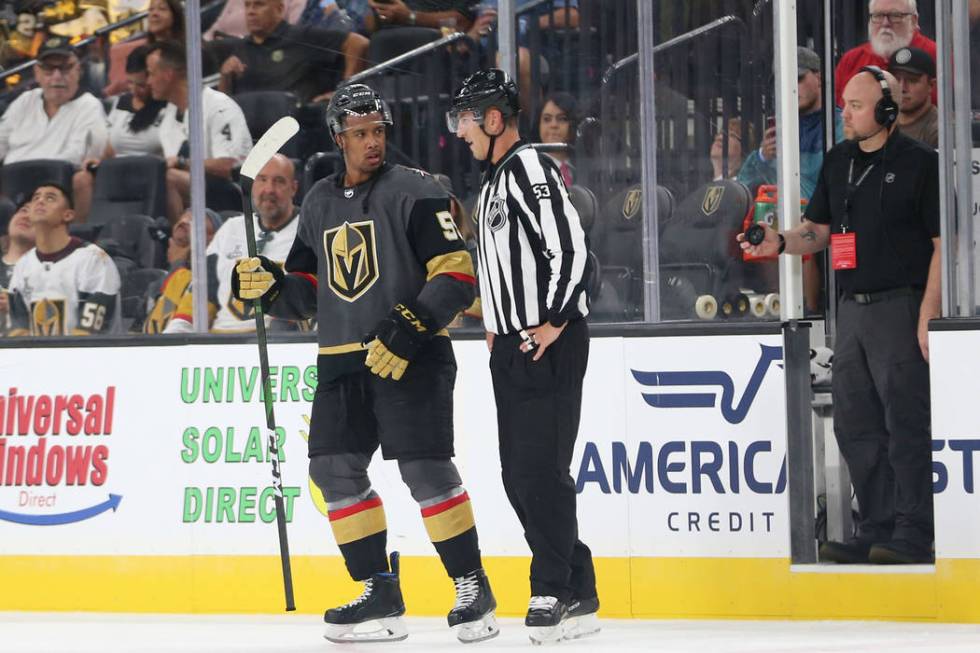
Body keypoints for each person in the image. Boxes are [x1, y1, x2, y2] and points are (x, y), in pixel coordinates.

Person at [230, 84, 498, 644]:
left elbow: (455, 273)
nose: (373, 142)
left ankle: (472, 585)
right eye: (360, 134)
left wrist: (411, 326)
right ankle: (379, 587)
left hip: (413, 356)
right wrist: (270, 285)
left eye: (379, 132)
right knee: (332, 470)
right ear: (338, 138)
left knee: (425, 472)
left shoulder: (419, 190)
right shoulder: (320, 202)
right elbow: (307, 289)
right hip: (341, 360)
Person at [738, 67, 940, 565]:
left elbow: (942, 246)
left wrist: (927, 315)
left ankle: (914, 530)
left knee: (904, 422)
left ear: (887, 111)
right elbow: (818, 231)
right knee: (855, 423)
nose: (845, 112)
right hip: (850, 310)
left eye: (855, 105)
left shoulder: (920, 163)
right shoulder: (839, 160)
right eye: (845, 103)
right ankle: (876, 527)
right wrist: (780, 242)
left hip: (900, 306)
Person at [448, 69, 599, 644]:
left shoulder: (530, 168)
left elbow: (570, 248)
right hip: (513, 343)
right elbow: (499, 263)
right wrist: (494, 319)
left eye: (467, 117)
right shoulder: (491, 184)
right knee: (519, 476)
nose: (460, 129)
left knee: (540, 471)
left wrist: (554, 320)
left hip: (547, 341)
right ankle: (580, 587)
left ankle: (553, 588)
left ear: (493, 119)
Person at [164, 155, 301, 333]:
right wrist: (172, 341)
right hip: (221, 343)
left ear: (293, 188)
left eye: (279, 181)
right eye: (262, 179)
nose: (269, 189)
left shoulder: (308, 231)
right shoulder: (231, 229)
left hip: (274, 343)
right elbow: (200, 298)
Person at [146, 40, 252, 223]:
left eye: (151, 73)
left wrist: (181, 162)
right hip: (194, 190)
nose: (148, 81)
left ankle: (180, 236)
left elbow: (227, 165)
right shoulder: (167, 116)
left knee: (169, 178)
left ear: (168, 74)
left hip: (231, 191)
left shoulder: (219, 105)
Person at [7, 183, 121, 337]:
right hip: (36, 358)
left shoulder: (93, 259)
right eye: (36, 198)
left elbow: (91, 333)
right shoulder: (23, 265)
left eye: (50, 198)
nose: (40, 201)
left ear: (68, 215)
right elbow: (18, 331)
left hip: (90, 357)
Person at [74, 45, 169, 222]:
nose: (134, 90)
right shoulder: (121, 102)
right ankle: (82, 234)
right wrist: (99, 161)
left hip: (150, 175)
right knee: (81, 179)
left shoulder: (168, 107)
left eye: (140, 85)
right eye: (130, 83)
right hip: (117, 172)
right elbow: (111, 148)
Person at [738, 47, 843, 200]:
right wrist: (762, 157)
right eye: (783, 81)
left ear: (819, 78)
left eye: (797, 78)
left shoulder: (841, 124)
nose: (790, 87)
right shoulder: (780, 128)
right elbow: (742, 189)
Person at [216, 0, 368, 103]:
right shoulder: (240, 48)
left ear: (279, 9)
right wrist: (225, 76)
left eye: (259, 4)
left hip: (296, 127)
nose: (251, 12)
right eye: (247, 5)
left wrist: (346, 92)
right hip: (250, 129)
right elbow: (225, 107)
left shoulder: (301, 36)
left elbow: (357, 43)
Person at [0, 36, 107, 166]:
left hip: (58, 180)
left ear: (78, 70)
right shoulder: (25, 100)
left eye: (65, 68)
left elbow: (77, 157)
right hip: (9, 180)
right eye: (48, 69)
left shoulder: (90, 106)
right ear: (37, 73)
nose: (57, 76)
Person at [834, 0, 936, 108]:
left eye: (895, 15)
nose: (885, 23)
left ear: (914, 20)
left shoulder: (938, 56)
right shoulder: (851, 59)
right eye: (878, 15)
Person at [140, 208, 221, 334]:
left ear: (213, 238)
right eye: (182, 219)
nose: (184, 222)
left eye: (194, 221)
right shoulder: (156, 284)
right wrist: (176, 265)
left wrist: (177, 263)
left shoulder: (214, 280)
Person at [104, 0, 184, 97]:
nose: (154, 14)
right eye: (151, 9)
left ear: (175, 16)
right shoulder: (141, 53)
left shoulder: (186, 51)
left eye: (162, 9)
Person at [888, 46, 938, 148]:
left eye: (912, 80)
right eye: (896, 79)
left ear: (931, 85)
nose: (902, 88)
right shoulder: (880, 123)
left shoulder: (940, 131)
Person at [0, 200, 36, 335]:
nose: (26, 217)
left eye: (35, 215)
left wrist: (15, 309)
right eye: (23, 210)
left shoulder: (52, 273)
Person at [536, 91, 578, 187]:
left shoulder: (584, 167)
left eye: (562, 119)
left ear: (573, 125)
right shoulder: (528, 168)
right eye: (547, 119)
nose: (553, 125)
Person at [364, 0, 474, 33]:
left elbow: (460, 23)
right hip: (385, 50)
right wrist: (377, 10)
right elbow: (369, 26)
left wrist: (411, 17)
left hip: (436, 53)